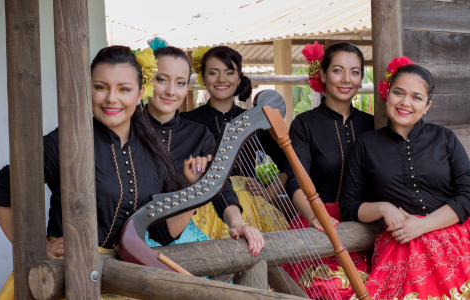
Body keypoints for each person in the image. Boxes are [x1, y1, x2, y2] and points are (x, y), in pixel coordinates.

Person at [0, 45, 229, 299]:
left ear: (139, 94)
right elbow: (1, 188)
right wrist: (36, 247)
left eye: (124, 89)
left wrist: (194, 188)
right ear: (87, 90)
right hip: (68, 280)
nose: (111, 98)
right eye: (101, 87)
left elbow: (162, 234)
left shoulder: (153, 149)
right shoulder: (65, 142)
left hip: (126, 281)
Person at [339, 57, 470, 300]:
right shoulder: (366, 145)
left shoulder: (445, 139)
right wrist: (384, 208)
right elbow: (349, 206)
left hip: (459, 242)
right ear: (388, 94)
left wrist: (421, 226)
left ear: (427, 105)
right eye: (399, 93)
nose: (405, 102)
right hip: (403, 248)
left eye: (416, 97)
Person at [142, 41, 263, 256]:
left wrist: (237, 223)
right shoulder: (127, 127)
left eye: (180, 83)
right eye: (161, 80)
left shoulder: (198, 134)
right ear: (146, 80)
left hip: (180, 234)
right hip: (128, 235)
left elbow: (219, 186)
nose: (171, 91)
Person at [282, 42, 374, 300]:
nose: (347, 79)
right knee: (332, 289)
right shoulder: (304, 124)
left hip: (365, 220)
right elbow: (295, 182)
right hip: (319, 220)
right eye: (338, 70)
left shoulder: (373, 124)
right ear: (322, 74)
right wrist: (315, 215)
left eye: (355, 72)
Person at [180, 45, 288, 239]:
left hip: (252, 208)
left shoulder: (255, 120)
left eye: (229, 72)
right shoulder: (187, 121)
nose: (221, 79)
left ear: (239, 78)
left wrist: (268, 193)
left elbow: (287, 164)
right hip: (203, 206)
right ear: (203, 78)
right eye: (213, 73)